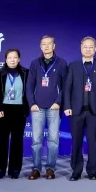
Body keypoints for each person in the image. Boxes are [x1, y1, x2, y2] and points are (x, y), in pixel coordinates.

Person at [64, 37, 96, 181]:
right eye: (85, 47)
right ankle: (76, 171)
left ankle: (92, 171)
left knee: (92, 141)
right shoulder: (73, 66)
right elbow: (67, 88)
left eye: (91, 47)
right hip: (76, 111)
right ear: (81, 48)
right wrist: (67, 106)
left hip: (94, 111)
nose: (88, 49)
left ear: (95, 49)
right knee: (76, 142)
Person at [26, 35, 68, 181]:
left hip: (54, 107)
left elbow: (65, 86)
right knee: (36, 140)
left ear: (54, 46)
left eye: (49, 44)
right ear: (40, 46)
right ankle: (36, 168)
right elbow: (29, 85)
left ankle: (50, 168)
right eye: (43, 44)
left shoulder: (61, 63)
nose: (46, 46)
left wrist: (59, 102)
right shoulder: (35, 63)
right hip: (37, 107)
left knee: (53, 140)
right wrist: (32, 103)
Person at [0, 48, 28, 180]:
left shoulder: (25, 73)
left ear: (19, 59)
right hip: (3, 110)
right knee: (2, 141)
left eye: (15, 57)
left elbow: (29, 92)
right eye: (9, 57)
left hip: (19, 110)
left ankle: (15, 169)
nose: (12, 60)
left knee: (17, 141)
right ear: (6, 60)